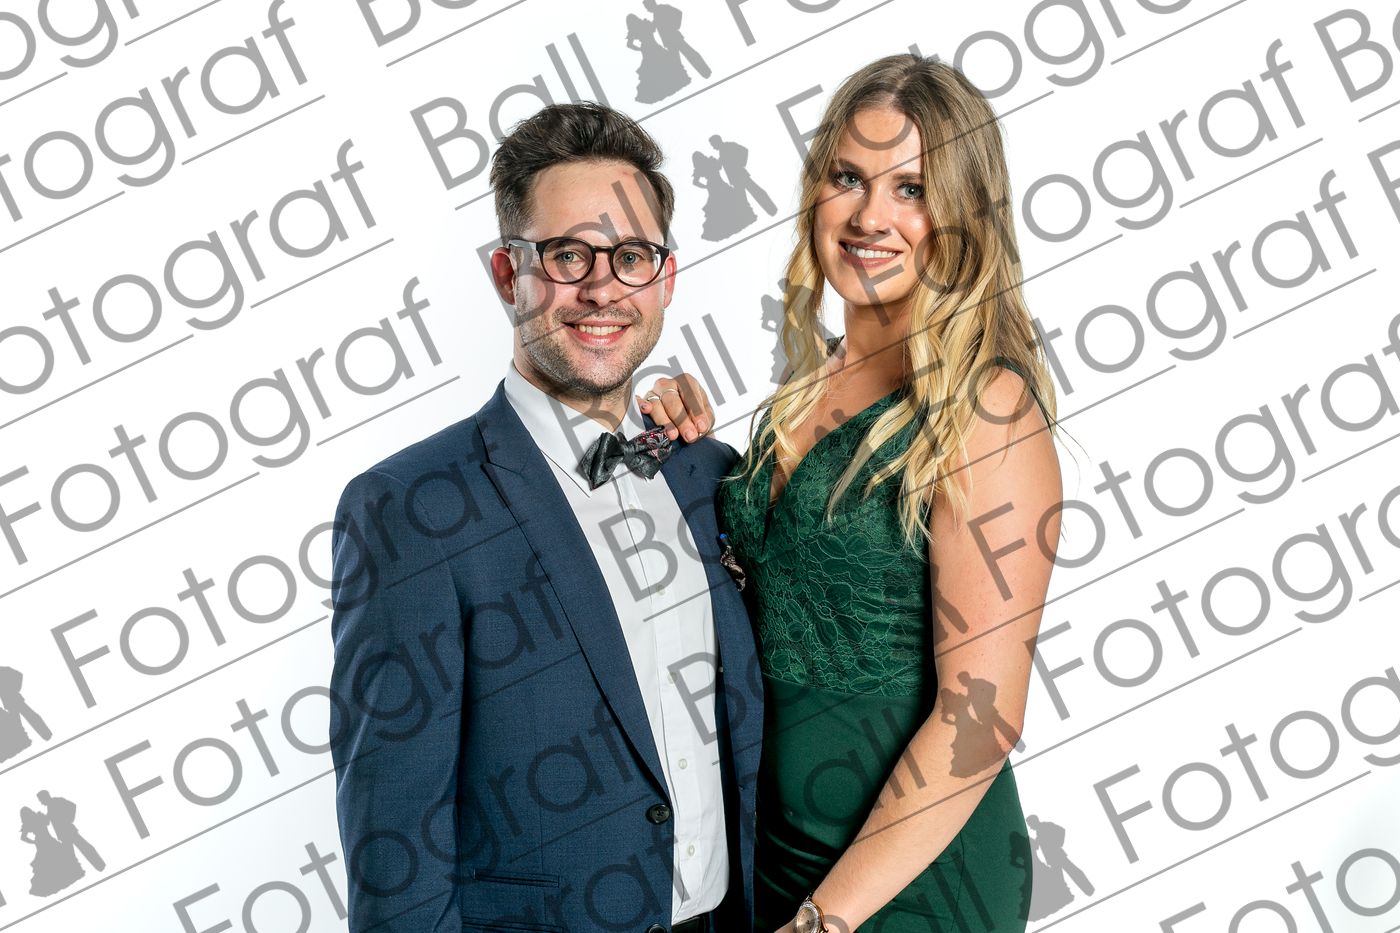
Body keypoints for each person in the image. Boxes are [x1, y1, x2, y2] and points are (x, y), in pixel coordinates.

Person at [643, 53, 1064, 931]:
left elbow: (982, 716)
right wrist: (683, 442)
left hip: (908, 883)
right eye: (847, 178)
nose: (871, 216)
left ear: (964, 214)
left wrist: (825, 920)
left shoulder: (986, 407)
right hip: (773, 856)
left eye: (912, 189)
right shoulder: (806, 386)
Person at [328, 101, 762, 933]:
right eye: (568, 254)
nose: (602, 287)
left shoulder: (712, 474)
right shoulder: (411, 510)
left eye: (630, 257)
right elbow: (396, 855)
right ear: (508, 275)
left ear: (665, 279)